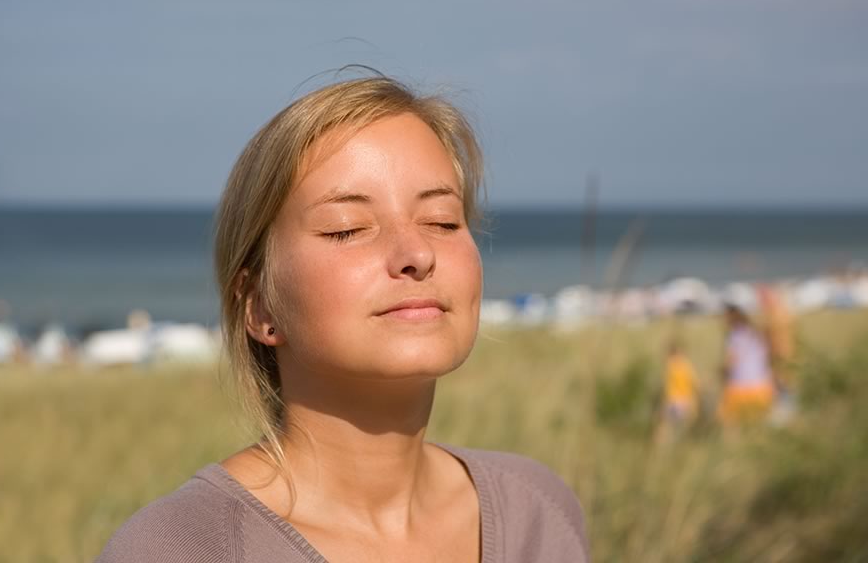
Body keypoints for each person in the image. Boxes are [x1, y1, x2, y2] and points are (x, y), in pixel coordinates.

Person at [97, 75, 589, 562]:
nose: (417, 252)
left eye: (442, 220)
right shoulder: (179, 549)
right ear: (259, 305)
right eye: (347, 229)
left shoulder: (538, 515)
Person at [718, 303, 775, 425]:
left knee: (730, 421)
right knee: (759, 422)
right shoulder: (755, 333)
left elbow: (732, 361)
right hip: (762, 384)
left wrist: (721, 372)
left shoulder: (735, 335)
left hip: (742, 385)